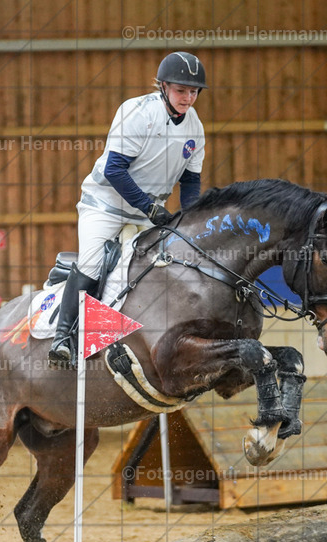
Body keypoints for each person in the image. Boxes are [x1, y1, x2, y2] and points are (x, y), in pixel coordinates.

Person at [48, 51, 208, 366]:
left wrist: (191, 223)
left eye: (193, 92)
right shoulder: (137, 113)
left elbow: (191, 183)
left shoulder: (195, 128)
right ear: (163, 86)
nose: (187, 98)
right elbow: (114, 170)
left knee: (160, 268)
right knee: (92, 264)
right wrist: (149, 208)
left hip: (147, 211)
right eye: (180, 90)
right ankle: (63, 338)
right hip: (105, 204)